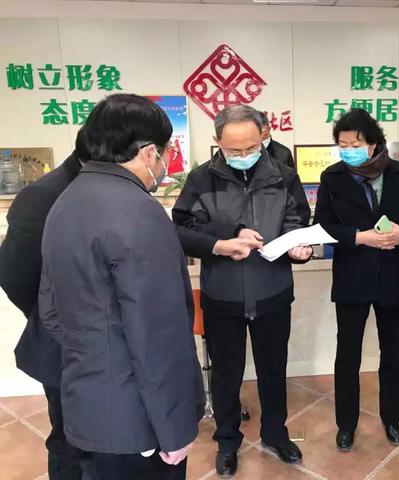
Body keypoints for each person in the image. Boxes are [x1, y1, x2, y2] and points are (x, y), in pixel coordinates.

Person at [39, 94, 204, 480]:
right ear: (149, 153)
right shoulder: (138, 211)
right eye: (165, 152)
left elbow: (50, 307)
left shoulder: (66, 201)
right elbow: (158, 335)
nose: (165, 163)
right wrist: (174, 428)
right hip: (137, 419)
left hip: (88, 407)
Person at [172, 104, 311, 477]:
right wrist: (226, 238)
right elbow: (182, 229)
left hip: (272, 292)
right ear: (217, 141)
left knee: (273, 370)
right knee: (226, 375)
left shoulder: (283, 176)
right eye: (234, 150)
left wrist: (298, 248)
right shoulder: (201, 179)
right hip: (223, 295)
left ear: (263, 135)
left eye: (251, 147)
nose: (244, 155)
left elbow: (298, 221)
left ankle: (275, 434)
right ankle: (227, 441)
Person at [313, 108, 399, 451]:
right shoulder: (332, 177)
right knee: (347, 354)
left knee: (393, 351)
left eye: (355, 144)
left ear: (374, 144)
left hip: (394, 275)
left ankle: (391, 418)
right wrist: (358, 237)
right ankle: (346, 424)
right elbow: (323, 226)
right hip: (353, 276)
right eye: (342, 144)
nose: (348, 150)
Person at [0, 129, 89, 480]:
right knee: (70, 440)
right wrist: (51, 317)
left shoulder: (107, 188)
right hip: (64, 346)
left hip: (104, 348)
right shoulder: (44, 195)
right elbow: (15, 274)